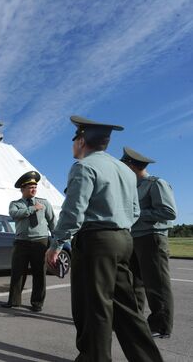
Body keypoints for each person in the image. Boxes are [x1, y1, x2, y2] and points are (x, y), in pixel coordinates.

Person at [45, 116, 162, 361]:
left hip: (96, 242)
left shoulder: (84, 167)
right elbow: (135, 211)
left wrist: (56, 244)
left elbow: (73, 212)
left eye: (75, 138)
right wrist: (118, 229)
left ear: (82, 140)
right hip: (122, 239)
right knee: (127, 308)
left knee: (93, 308)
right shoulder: (125, 171)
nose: (74, 144)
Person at [121, 146, 177, 338]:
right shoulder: (133, 188)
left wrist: (137, 214)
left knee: (157, 285)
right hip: (135, 239)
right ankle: (135, 320)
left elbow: (169, 212)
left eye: (124, 165)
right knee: (134, 283)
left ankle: (161, 327)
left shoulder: (156, 183)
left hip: (152, 238)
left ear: (130, 166)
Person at [2, 171, 56, 312]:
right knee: (17, 272)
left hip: (40, 242)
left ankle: (37, 303)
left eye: (35, 187)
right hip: (21, 242)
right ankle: (14, 301)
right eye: (30, 187)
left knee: (39, 273)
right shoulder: (15, 204)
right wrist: (32, 209)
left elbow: (52, 222)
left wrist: (57, 241)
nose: (33, 189)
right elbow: (15, 214)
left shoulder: (44, 203)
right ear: (22, 189)